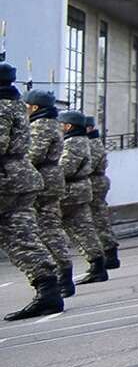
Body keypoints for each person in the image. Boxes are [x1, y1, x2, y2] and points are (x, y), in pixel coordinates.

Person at [1, 63, 62, 321]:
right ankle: (48, 290)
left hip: (5, 177)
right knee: (20, 237)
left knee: (19, 236)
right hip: (21, 177)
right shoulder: (15, 105)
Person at [21, 89, 72, 298]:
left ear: (34, 107)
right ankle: (64, 276)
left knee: (47, 229)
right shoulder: (51, 124)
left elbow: (34, 154)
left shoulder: (41, 126)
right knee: (50, 227)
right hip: (50, 179)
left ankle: (62, 277)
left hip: (43, 181)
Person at [58, 111, 106, 285]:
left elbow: (65, 168)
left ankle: (93, 267)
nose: (59, 127)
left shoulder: (73, 143)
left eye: (61, 124)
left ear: (68, 126)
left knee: (63, 229)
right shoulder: (82, 141)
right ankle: (97, 266)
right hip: (79, 189)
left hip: (71, 190)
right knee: (83, 229)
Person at [84, 114, 117, 267]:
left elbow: (88, 166)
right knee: (96, 219)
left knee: (99, 219)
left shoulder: (93, 144)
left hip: (95, 183)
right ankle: (106, 253)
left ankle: (110, 254)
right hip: (94, 182)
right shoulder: (89, 142)